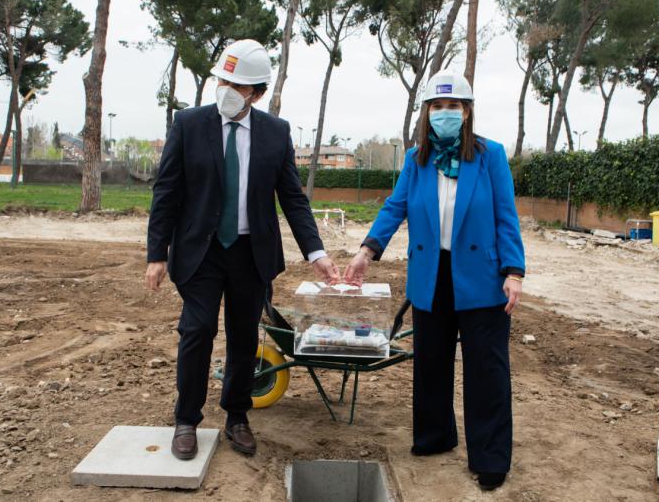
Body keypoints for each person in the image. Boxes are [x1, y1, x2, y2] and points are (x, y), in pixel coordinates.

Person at [145, 39, 341, 460]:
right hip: (201, 250)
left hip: (251, 254)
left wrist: (316, 252)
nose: (226, 89)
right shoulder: (189, 124)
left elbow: (292, 198)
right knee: (196, 331)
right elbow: (166, 192)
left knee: (242, 337)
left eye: (237, 83)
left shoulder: (276, 133)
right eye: (222, 79)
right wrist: (156, 253)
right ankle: (186, 420)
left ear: (257, 92)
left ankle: (237, 414)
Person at [344, 70, 525, 491]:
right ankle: (435, 437)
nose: (446, 113)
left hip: (482, 279)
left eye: (454, 106)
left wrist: (514, 271)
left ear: (467, 112)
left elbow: (506, 217)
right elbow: (395, 207)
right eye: (438, 106)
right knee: (431, 364)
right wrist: (366, 250)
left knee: (486, 370)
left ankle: (491, 457)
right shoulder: (416, 159)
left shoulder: (490, 155)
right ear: (427, 113)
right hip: (431, 275)